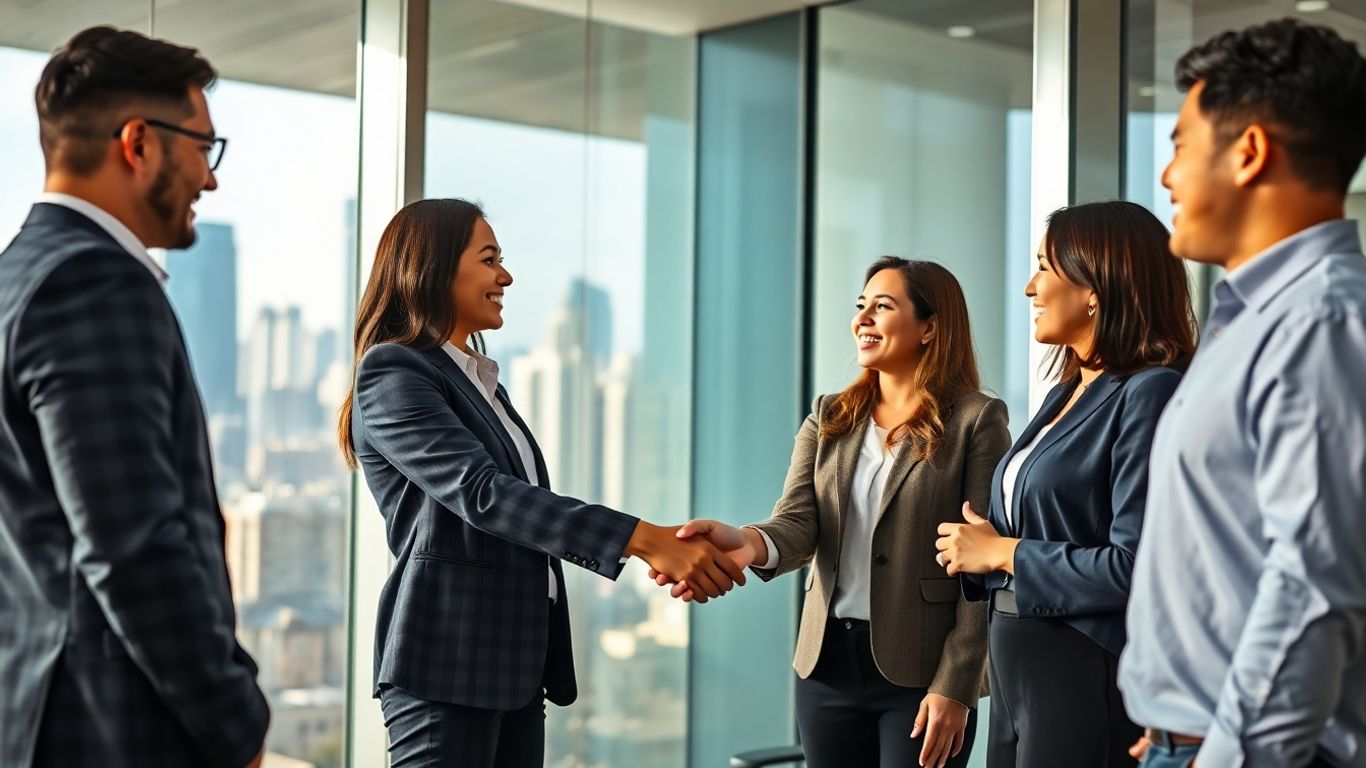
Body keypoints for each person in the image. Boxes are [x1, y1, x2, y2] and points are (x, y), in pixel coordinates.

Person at [339, 198, 746, 766]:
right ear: (432, 267)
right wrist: (643, 539)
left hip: (514, 659)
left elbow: (525, 509)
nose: (505, 276)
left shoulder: (483, 385)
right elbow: (484, 494)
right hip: (446, 658)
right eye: (488, 260)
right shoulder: (393, 370)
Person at [0, 26, 267, 768]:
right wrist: (234, 721)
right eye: (202, 149)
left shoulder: (17, 277)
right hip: (112, 729)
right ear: (139, 143)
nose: (209, 179)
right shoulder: (92, 284)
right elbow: (132, 544)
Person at [1117, 18, 1366, 768]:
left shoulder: (1320, 323)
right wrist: (1174, 719)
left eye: (1180, 149)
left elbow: (1312, 587)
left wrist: (1224, 750)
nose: (1167, 178)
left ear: (1250, 152)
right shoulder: (1257, 321)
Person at [655, 257, 1010, 768]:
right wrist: (748, 542)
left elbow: (984, 568)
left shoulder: (976, 420)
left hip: (923, 671)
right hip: (826, 668)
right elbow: (799, 521)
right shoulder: (830, 415)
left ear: (930, 327)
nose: (862, 319)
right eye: (860, 306)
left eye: (882, 307)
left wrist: (956, 685)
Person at [935, 200, 1196, 767]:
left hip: (1080, 666)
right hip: (1014, 663)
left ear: (1095, 286)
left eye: (1044, 268)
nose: (1030, 287)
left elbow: (1135, 566)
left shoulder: (1148, 393)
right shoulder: (1067, 391)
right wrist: (983, 549)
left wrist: (1004, 551)